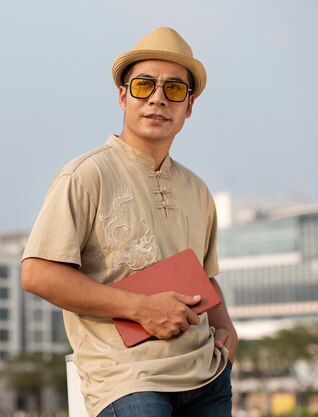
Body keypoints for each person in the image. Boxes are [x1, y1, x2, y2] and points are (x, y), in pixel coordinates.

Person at [21, 27, 238, 417]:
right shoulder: (86, 176)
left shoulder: (198, 190)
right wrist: (141, 308)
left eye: (174, 89)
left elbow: (206, 276)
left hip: (207, 378)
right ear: (123, 96)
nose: (157, 98)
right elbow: (38, 274)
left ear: (189, 106)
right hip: (129, 379)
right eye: (144, 86)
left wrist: (228, 332)